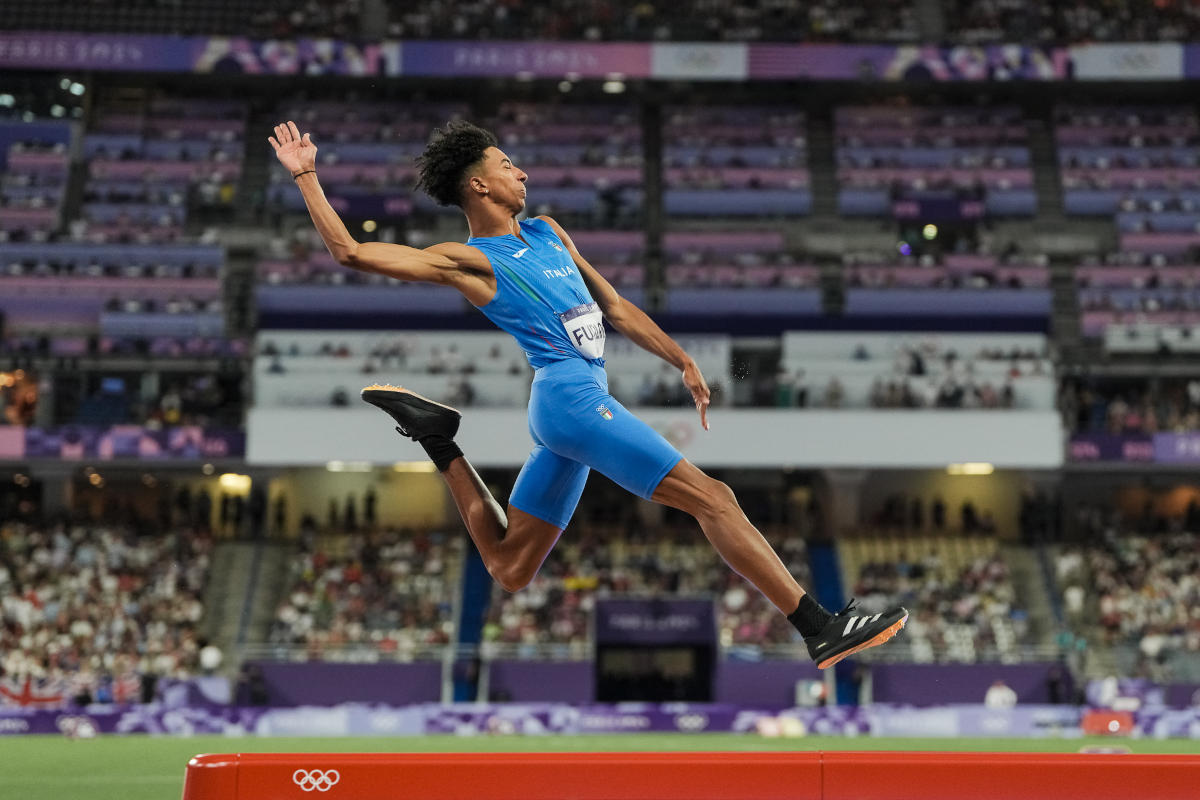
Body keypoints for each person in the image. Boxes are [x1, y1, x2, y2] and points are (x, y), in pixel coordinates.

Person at [269, 119, 908, 668]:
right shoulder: (471, 261)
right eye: (506, 163)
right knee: (714, 498)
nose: (521, 171)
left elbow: (616, 308)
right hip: (570, 402)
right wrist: (305, 176)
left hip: (571, 409)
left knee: (511, 568)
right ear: (479, 185)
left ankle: (439, 442)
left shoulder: (548, 232)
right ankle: (819, 627)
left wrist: (682, 360)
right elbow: (351, 253)